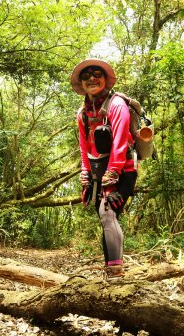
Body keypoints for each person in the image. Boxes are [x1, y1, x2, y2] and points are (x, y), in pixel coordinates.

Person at [70, 58, 137, 279]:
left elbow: (119, 141)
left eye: (96, 74)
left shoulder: (116, 104)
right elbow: (84, 146)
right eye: (86, 75)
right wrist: (85, 173)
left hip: (123, 169)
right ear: (81, 82)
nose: (92, 79)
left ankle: (116, 273)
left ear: (105, 79)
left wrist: (114, 172)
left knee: (107, 213)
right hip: (99, 171)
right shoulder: (82, 113)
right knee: (106, 218)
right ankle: (110, 271)